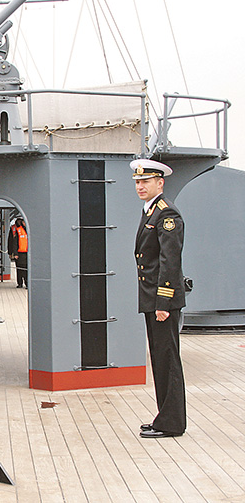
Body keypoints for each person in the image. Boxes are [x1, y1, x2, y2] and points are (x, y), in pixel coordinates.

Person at [131, 158, 187, 438]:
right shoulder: (149, 211)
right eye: (138, 182)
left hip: (161, 302)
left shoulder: (167, 215)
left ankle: (172, 423)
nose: (140, 186)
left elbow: (170, 262)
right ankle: (164, 416)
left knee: (167, 360)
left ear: (160, 183)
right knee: (160, 359)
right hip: (152, 299)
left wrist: (163, 304)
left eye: (146, 181)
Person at [7, 218, 28, 288]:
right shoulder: (18, 230)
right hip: (20, 253)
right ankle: (20, 283)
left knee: (26, 269)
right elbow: (14, 243)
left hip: (27, 253)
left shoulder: (29, 230)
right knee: (19, 269)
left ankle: (27, 283)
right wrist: (15, 253)